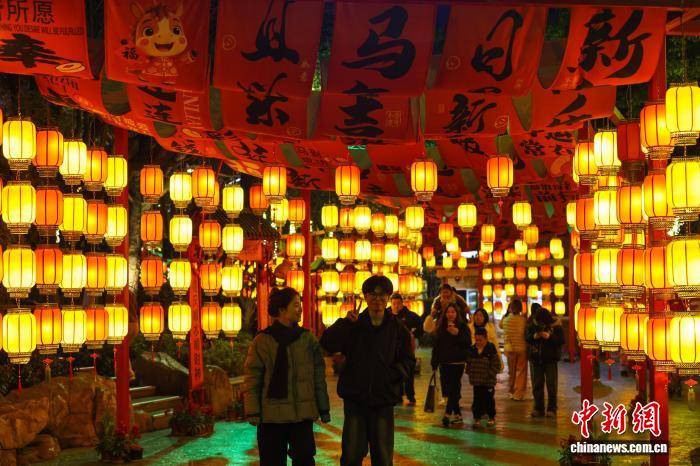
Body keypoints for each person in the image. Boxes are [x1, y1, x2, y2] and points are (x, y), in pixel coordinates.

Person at [320, 275, 415, 466]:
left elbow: (408, 360)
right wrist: (345, 323)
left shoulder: (397, 328)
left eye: (382, 295)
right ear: (365, 297)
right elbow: (327, 344)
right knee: (351, 456)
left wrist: (392, 375)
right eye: (373, 294)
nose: (377, 300)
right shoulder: (354, 324)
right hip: (356, 399)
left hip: (383, 399)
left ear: (388, 298)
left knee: (383, 457)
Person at [243, 287, 330, 466]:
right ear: (282, 310)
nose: (300, 309)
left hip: (301, 416)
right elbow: (253, 378)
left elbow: (318, 377)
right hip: (271, 417)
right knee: (272, 461)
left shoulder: (307, 339)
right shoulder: (263, 340)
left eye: (300, 305)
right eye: (296, 305)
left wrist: (323, 408)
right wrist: (253, 411)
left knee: (305, 459)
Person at [430, 303, 471, 426]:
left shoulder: (463, 327)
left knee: (454, 386)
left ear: (457, 314)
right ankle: (458, 414)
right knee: (449, 388)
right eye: (448, 312)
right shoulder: (441, 327)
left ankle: (447, 414)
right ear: (445, 314)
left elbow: (468, 343)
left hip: (458, 362)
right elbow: (436, 347)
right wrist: (434, 363)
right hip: (444, 362)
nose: (450, 314)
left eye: (453, 312)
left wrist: (457, 334)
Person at [526, 303, 565, 418]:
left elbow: (561, 340)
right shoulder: (533, 324)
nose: (540, 323)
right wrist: (534, 336)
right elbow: (526, 337)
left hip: (550, 359)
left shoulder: (556, 326)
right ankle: (538, 408)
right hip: (536, 359)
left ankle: (552, 409)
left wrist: (549, 337)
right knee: (537, 384)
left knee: (551, 385)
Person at [390, 293, 423, 406]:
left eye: (398, 304)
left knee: (408, 373)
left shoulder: (409, 315)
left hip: (406, 349)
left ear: (402, 304)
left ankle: (410, 396)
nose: (396, 306)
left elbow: (421, 324)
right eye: (394, 304)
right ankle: (397, 396)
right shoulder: (387, 314)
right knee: (394, 373)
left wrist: (414, 334)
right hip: (391, 349)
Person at [467, 327, 500, 428]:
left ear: (486, 339)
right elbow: (469, 364)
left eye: (480, 340)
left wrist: (489, 374)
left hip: (488, 381)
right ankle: (477, 418)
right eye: (476, 340)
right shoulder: (472, 349)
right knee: (477, 399)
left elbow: (496, 365)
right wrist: (470, 373)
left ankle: (491, 417)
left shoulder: (491, 349)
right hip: (476, 381)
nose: (478, 342)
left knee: (489, 399)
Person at [500, 299, 528, 400]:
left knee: (511, 372)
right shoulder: (523, 320)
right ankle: (518, 394)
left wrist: (506, 314)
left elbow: (500, 325)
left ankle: (511, 391)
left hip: (509, 349)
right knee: (521, 371)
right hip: (521, 348)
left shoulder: (505, 320)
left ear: (510, 308)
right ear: (520, 308)